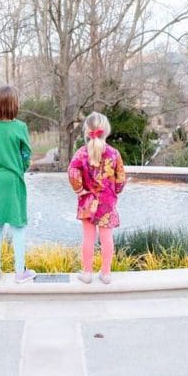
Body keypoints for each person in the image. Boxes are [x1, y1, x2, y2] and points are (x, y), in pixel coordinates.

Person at [0, 86, 35, 284]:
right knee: (18, 225)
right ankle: (20, 272)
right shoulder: (20, 127)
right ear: (14, 105)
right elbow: (26, 154)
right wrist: (20, 167)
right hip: (13, 180)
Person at [67, 111, 126, 284]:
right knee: (107, 238)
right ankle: (106, 273)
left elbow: (72, 171)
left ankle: (87, 273)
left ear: (86, 131)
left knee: (88, 238)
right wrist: (115, 190)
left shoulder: (81, 153)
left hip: (87, 203)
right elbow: (121, 179)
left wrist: (79, 189)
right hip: (107, 204)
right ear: (107, 131)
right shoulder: (114, 154)